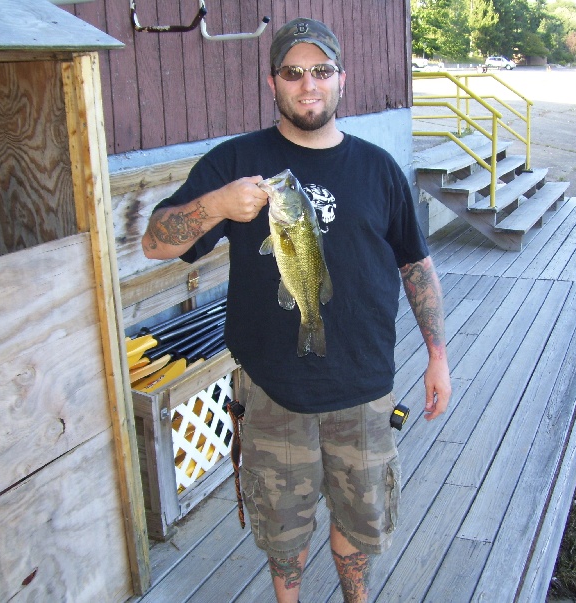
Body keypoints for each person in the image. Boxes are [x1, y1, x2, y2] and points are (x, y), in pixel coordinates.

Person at [141, 17, 451, 603]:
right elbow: (157, 242)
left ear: (341, 80)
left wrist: (437, 355)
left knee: (360, 523)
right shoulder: (237, 161)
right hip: (271, 389)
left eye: (321, 72)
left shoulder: (380, 167)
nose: (308, 86)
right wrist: (217, 204)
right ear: (273, 82)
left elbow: (415, 264)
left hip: (363, 385)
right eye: (293, 73)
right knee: (284, 532)